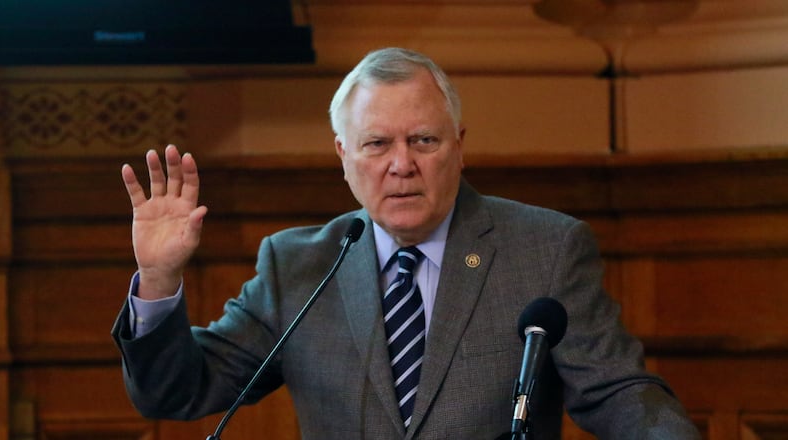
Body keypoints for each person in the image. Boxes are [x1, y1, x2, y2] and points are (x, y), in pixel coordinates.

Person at [112, 47, 701, 439]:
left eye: (423, 140)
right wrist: (159, 280)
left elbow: (619, 394)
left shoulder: (544, 250)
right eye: (377, 144)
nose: (402, 165)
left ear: (459, 146)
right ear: (343, 156)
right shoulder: (297, 266)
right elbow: (175, 392)